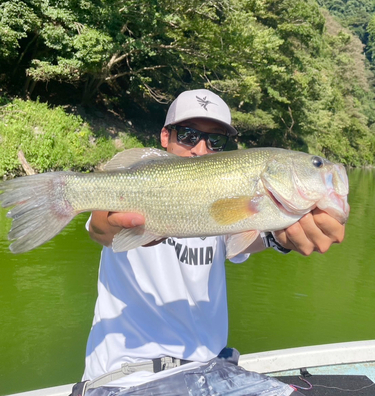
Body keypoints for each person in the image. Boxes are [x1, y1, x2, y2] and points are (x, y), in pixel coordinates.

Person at [75, 89, 345, 396]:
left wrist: (282, 239)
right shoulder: (139, 180)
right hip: (127, 380)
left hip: (212, 371)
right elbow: (100, 228)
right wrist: (107, 225)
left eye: (214, 140)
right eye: (189, 135)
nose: (200, 149)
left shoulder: (230, 194)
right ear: (165, 136)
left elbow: (249, 238)